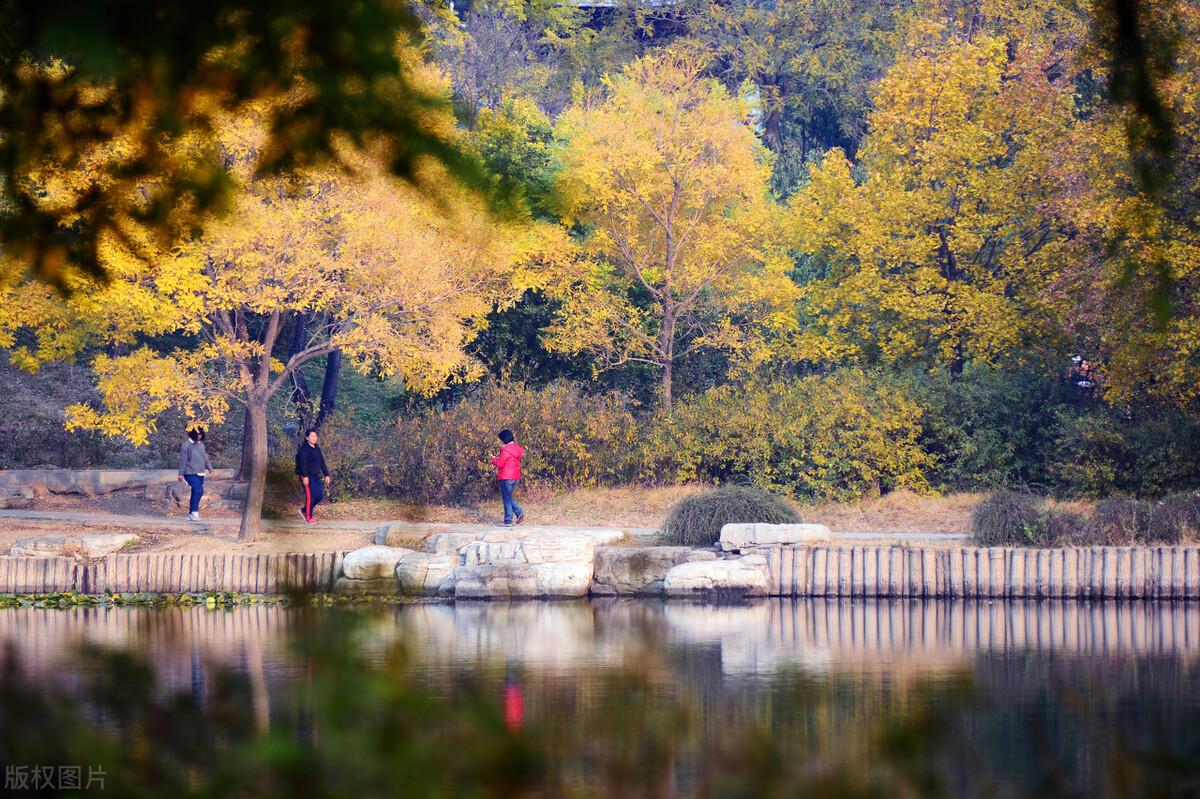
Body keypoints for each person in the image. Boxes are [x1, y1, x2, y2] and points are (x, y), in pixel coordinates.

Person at [295, 429, 331, 524]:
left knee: (319, 496)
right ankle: (308, 516)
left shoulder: (317, 449)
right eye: (312, 436)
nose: (314, 438)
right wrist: (305, 476)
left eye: (315, 436)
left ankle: (304, 510)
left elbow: (322, 462)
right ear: (307, 438)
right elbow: (302, 464)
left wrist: (326, 474)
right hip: (307, 476)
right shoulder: (304, 450)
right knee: (310, 496)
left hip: (316, 476)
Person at [491, 429, 525, 526]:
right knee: (508, 497)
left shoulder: (505, 449)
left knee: (506, 498)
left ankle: (508, 520)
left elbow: (500, 464)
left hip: (506, 476)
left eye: (501, 439)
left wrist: (493, 459)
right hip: (516, 476)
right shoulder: (517, 448)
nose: (501, 441)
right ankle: (519, 513)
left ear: (504, 439)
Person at [178, 427, 213, 522]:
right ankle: (194, 512)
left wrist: (210, 469)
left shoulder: (201, 444)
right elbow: (183, 461)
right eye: (198, 434)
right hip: (189, 472)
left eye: (201, 434)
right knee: (198, 491)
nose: (200, 436)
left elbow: (205, 457)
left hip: (200, 472)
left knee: (195, 492)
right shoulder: (186, 446)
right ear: (193, 434)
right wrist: (180, 474)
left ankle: (191, 514)